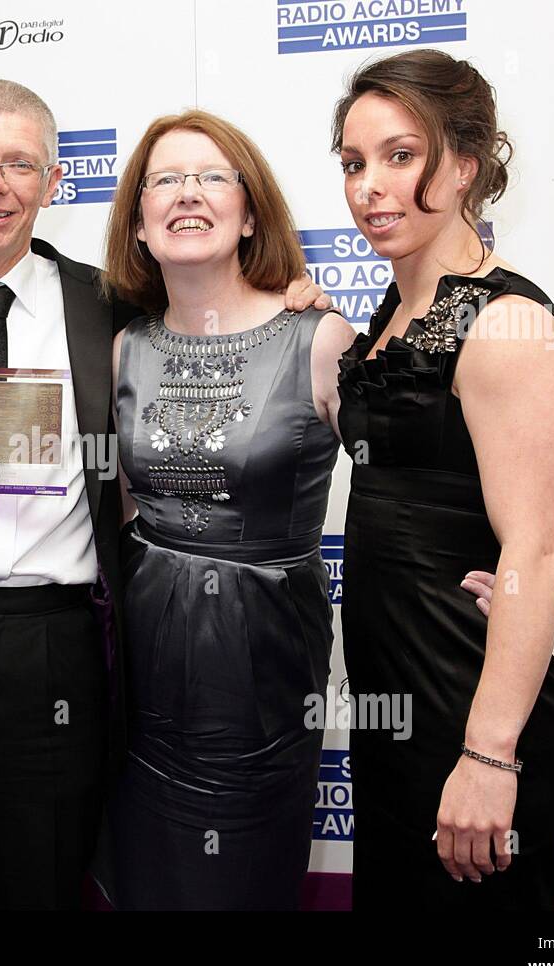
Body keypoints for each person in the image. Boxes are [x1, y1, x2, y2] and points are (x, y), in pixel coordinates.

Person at [0, 79, 329, 910]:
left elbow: (232, 321)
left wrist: (299, 299)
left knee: (45, 884)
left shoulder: (118, 310)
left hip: (54, 646)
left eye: (20, 163)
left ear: (54, 183)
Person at [332, 49, 554, 909]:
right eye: (354, 163)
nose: (371, 186)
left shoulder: (508, 322)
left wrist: (487, 754)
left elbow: (538, 549)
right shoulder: (390, 318)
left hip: (466, 711)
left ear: (467, 165)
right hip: (393, 712)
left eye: (401, 156)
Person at [92, 110, 356, 910]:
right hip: (142, 656)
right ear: (138, 224)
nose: (188, 194)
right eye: (164, 180)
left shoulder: (320, 337)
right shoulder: (125, 346)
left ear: (250, 212)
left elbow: (406, 487)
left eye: (212, 176)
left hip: (261, 663)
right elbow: (126, 500)